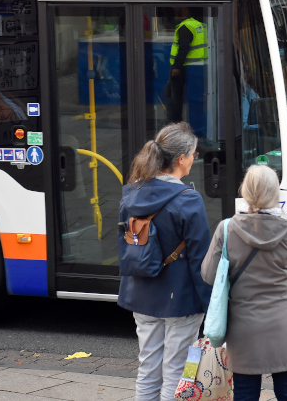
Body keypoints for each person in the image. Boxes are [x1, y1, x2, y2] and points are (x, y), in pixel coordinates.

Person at [118, 122, 212, 401]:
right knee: (177, 373)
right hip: (181, 300)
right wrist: (211, 306)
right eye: (194, 154)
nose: (195, 159)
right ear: (181, 159)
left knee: (147, 369)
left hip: (141, 295)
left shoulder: (131, 193)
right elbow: (201, 262)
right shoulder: (189, 200)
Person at [201, 165, 287, 401]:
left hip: (244, 329)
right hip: (286, 326)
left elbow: (208, 275)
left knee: (245, 394)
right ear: (275, 193)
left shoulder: (227, 229)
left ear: (246, 191)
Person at [165, 8, 208, 127]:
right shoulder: (201, 26)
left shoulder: (186, 27)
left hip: (183, 67)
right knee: (194, 98)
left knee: (173, 96)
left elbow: (184, 48)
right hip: (198, 66)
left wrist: (176, 67)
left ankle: (175, 123)